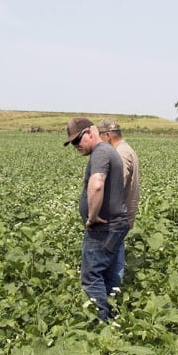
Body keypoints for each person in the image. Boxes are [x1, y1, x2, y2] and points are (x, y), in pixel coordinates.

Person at [66, 117, 127, 321]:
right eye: (72, 142)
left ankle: (99, 324)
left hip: (103, 228)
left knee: (91, 276)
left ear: (91, 132)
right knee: (108, 275)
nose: (75, 146)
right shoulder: (108, 151)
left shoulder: (100, 152)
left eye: (77, 140)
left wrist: (92, 217)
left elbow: (97, 184)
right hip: (116, 224)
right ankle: (113, 317)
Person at [98, 118, 140, 286]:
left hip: (116, 218)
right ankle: (116, 293)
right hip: (123, 215)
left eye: (100, 137)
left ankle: (111, 295)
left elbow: (116, 186)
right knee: (116, 254)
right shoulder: (126, 149)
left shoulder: (120, 153)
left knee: (108, 262)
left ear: (107, 135)